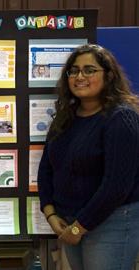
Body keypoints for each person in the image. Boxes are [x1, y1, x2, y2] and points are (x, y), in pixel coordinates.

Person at [37, 44, 139, 270]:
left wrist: (79, 228)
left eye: (89, 70)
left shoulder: (121, 118)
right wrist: (50, 213)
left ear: (109, 75)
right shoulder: (67, 116)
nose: (79, 76)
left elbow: (116, 186)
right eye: (73, 71)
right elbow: (46, 168)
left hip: (111, 223)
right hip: (70, 222)